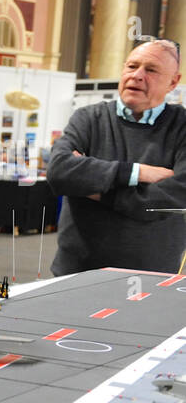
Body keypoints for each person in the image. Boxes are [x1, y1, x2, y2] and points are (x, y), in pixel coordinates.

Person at [48, 38, 186, 275]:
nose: (138, 75)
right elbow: (59, 172)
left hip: (152, 277)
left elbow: (174, 199)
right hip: (77, 272)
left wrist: (96, 190)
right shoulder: (88, 119)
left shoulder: (182, 127)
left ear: (174, 82)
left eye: (151, 69)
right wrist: (136, 172)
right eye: (132, 66)